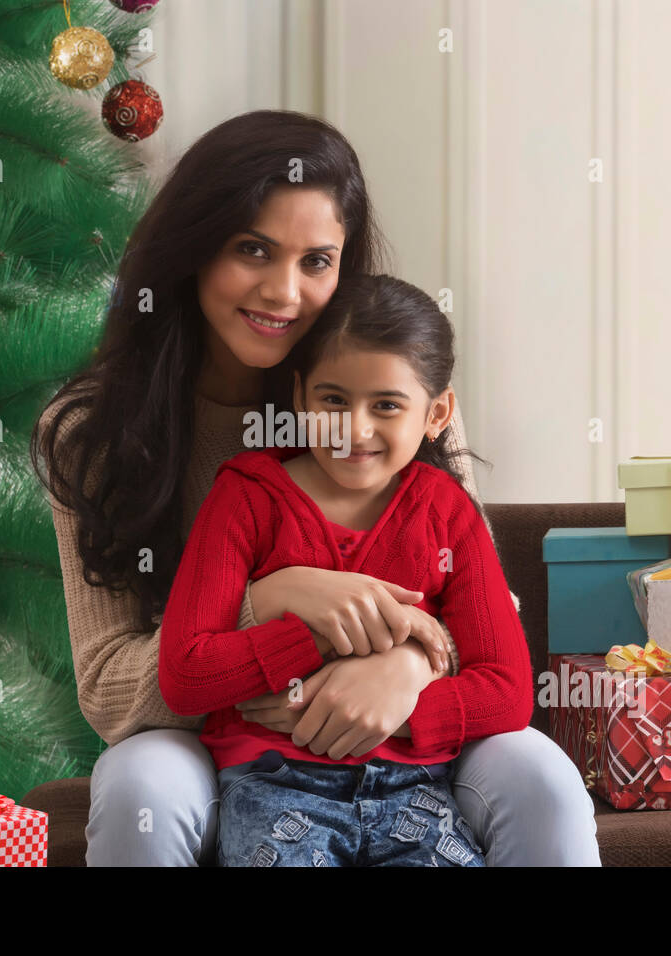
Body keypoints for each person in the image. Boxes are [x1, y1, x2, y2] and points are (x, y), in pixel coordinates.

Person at [33, 109, 600, 866]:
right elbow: (108, 691)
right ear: (193, 249)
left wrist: (405, 670)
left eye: (316, 261)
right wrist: (275, 600)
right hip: (214, 743)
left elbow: (489, 612)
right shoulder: (93, 434)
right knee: (141, 784)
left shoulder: (394, 407)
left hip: (407, 730)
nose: (283, 291)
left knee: (545, 780)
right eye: (252, 250)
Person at [158, 273, 533, 866]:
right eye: (333, 400)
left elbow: (508, 689)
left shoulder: (446, 509)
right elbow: (185, 674)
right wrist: (310, 636)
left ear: (437, 413)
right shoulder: (245, 497)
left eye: (386, 405)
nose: (354, 430)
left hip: (419, 790)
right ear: (301, 396)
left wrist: (404, 705)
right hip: (274, 786)